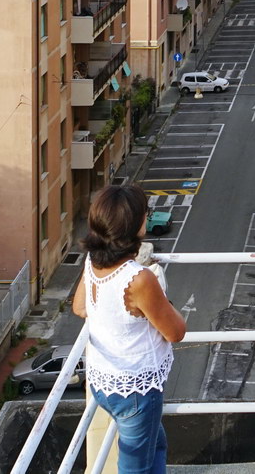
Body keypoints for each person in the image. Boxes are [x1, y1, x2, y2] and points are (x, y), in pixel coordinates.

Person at [70, 185, 186, 474]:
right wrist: (161, 299)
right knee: (136, 467)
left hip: (102, 382)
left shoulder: (93, 261)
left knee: (155, 446)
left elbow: (80, 308)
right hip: (135, 389)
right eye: (145, 214)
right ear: (135, 225)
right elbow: (175, 331)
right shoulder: (139, 278)